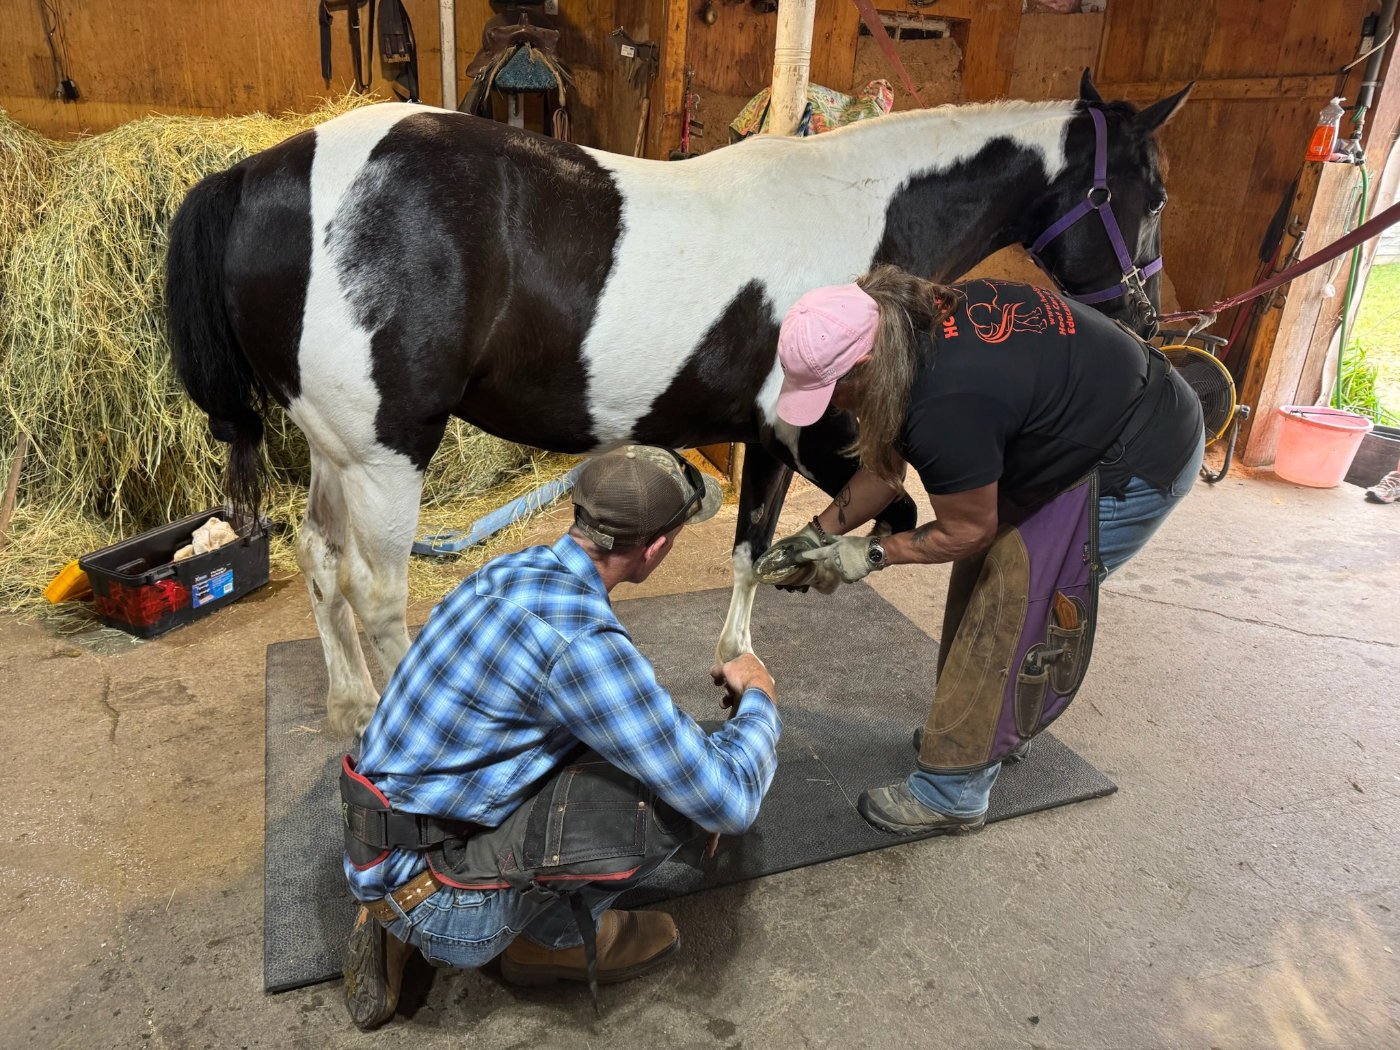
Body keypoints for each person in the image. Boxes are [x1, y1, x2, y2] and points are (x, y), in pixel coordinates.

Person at [340, 445, 781, 1030]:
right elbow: (729, 799)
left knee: (617, 742)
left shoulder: (507, 572)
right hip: (440, 900)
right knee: (683, 801)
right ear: (655, 548)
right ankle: (548, 939)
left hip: (378, 835)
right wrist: (760, 698)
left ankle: (384, 910)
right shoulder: (581, 647)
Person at [763, 267, 1204, 836]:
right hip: (1075, 425)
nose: (832, 406)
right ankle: (980, 731)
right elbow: (883, 469)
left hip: (1134, 453)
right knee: (989, 582)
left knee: (1013, 596)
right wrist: (816, 535)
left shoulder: (947, 402)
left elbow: (966, 531)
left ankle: (955, 789)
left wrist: (867, 555)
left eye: (834, 390)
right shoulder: (900, 323)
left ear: (866, 364)